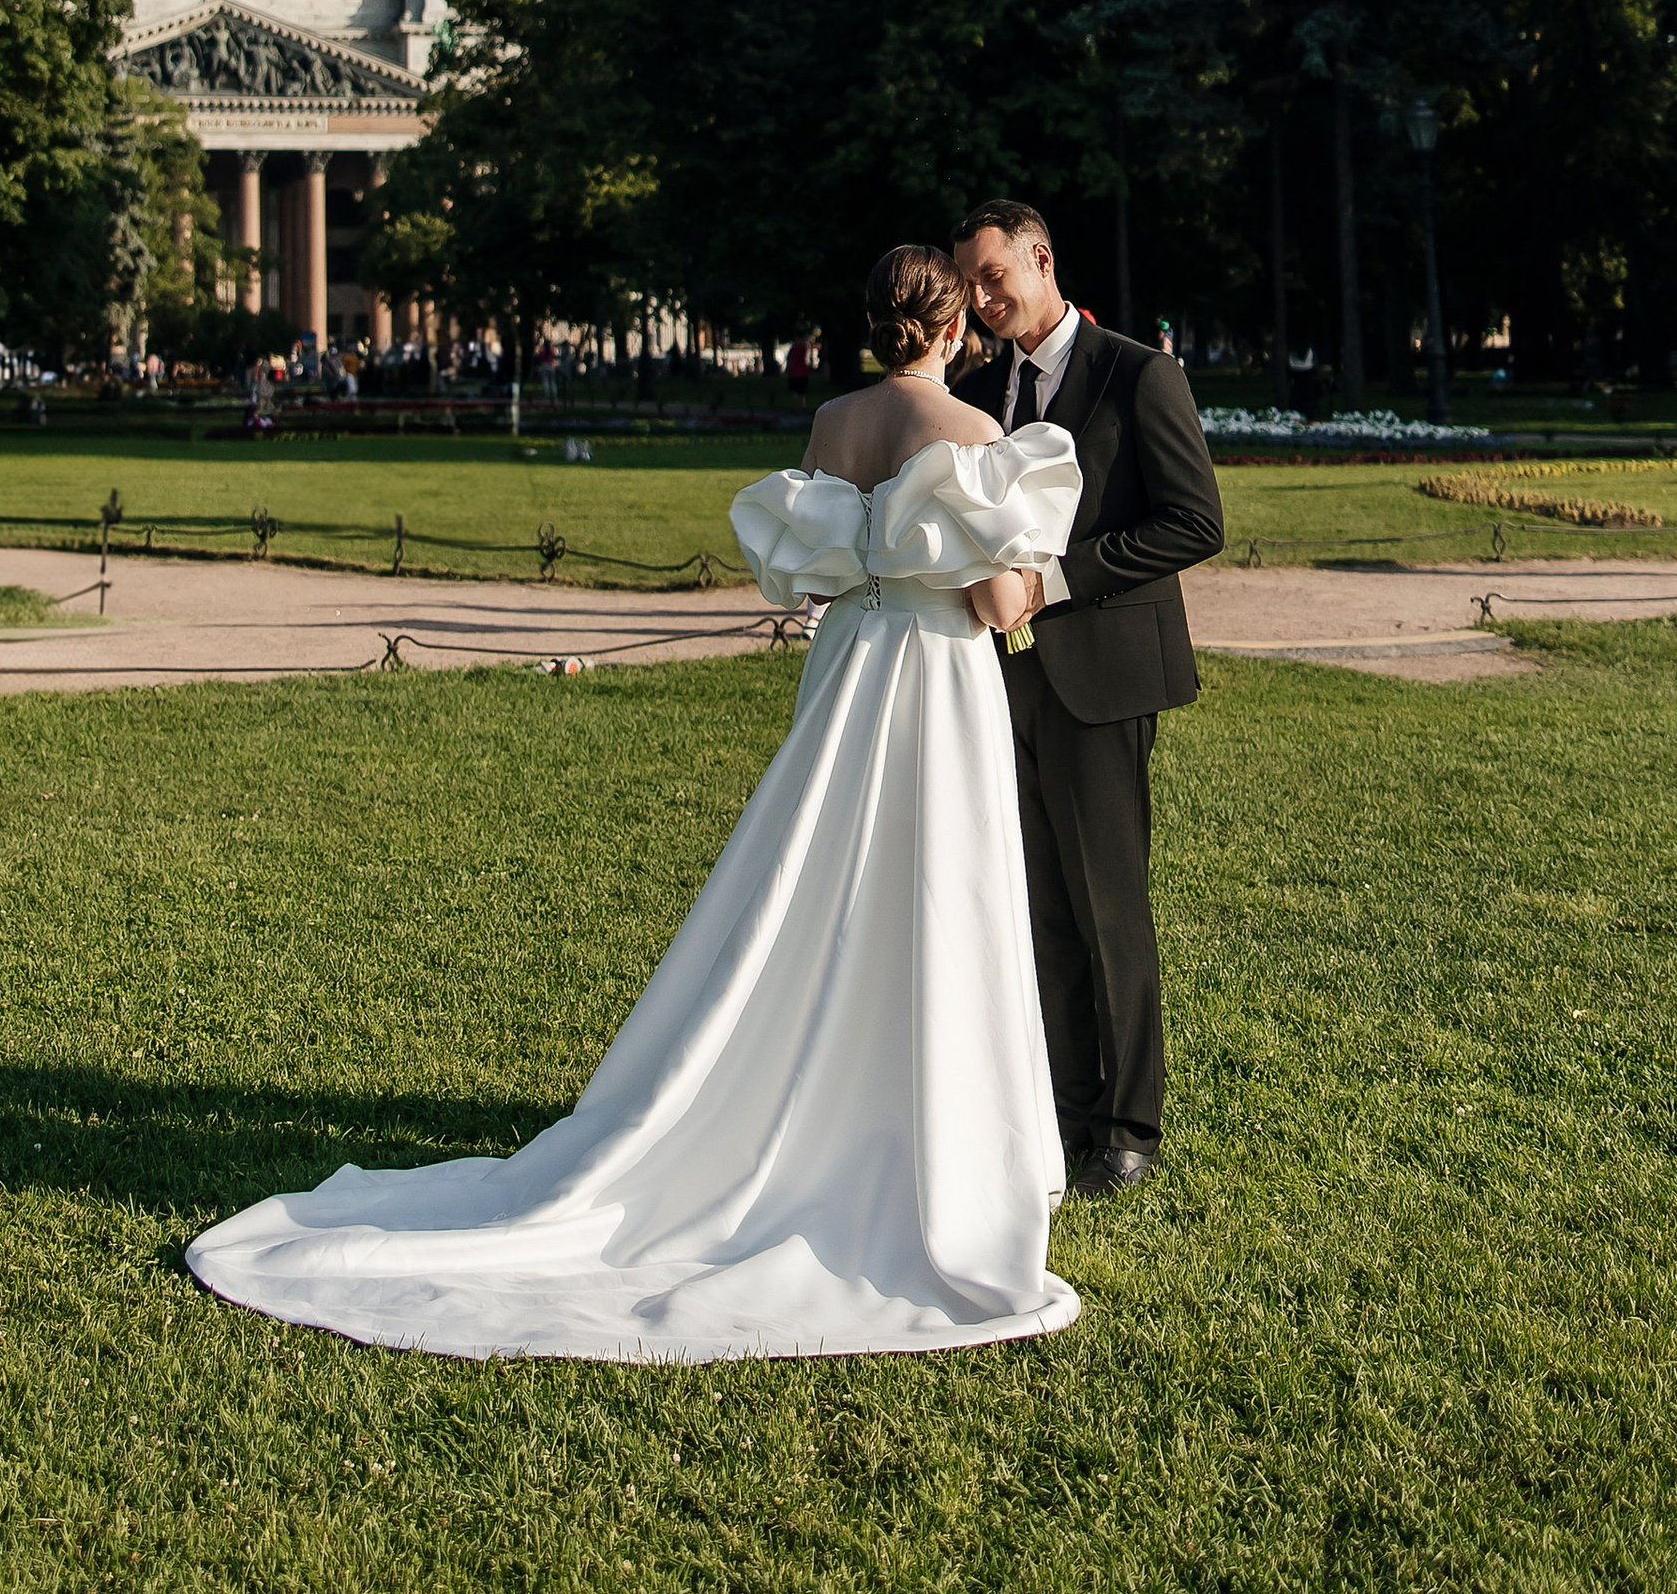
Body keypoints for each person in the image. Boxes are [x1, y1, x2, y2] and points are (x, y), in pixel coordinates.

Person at [183, 243, 1084, 1361]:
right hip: (933, 680)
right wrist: (1045, 573)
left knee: (812, 885)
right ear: (953, 333)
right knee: (935, 890)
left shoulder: (832, 425)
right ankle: (922, 1137)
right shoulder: (974, 440)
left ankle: (802, 1109)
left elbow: (824, 563)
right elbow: (998, 603)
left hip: (849, 668)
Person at [951, 198, 1223, 1198]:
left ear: (1040, 259)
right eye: (971, 286)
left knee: (1107, 906)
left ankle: (1128, 1129)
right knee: (1040, 910)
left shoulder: (1136, 373)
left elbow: (1194, 521)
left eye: (994, 276)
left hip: (1104, 674)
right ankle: (1060, 1113)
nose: (984, 300)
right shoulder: (978, 392)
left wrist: (1056, 580)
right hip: (997, 683)